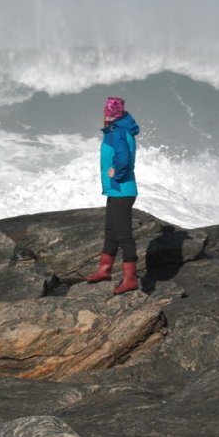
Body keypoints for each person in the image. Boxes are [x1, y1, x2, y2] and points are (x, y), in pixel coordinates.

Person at [84, 96, 141, 294]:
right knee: (111, 231)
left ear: (108, 113)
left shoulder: (117, 132)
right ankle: (104, 271)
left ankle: (130, 279)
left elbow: (124, 159)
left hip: (122, 191)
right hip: (116, 190)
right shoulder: (118, 129)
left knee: (124, 236)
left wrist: (116, 173)